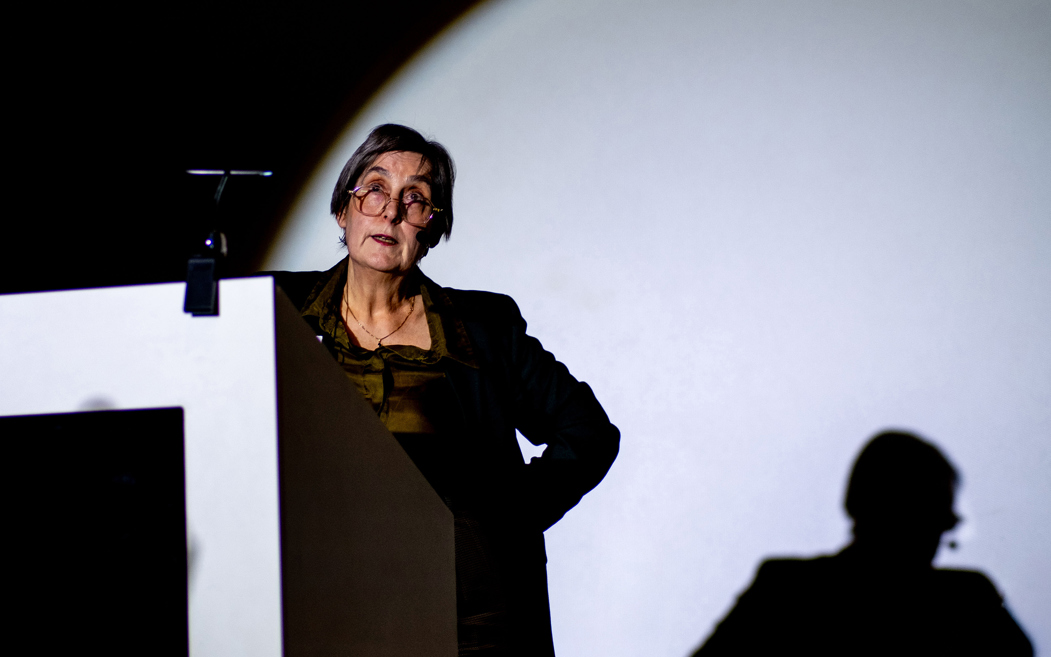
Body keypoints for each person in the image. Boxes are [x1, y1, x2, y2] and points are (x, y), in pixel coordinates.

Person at [269, 124, 620, 655]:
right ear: (344, 209)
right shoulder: (273, 307)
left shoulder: (484, 327)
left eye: (415, 200)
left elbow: (589, 433)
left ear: (432, 228)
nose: (391, 212)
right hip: (319, 592)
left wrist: (503, 520)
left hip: (467, 614)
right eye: (375, 189)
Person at [692, 431, 1032, 656]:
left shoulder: (972, 599)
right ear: (876, 505)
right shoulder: (783, 588)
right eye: (932, 511)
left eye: (945, 518)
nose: (941, 532)